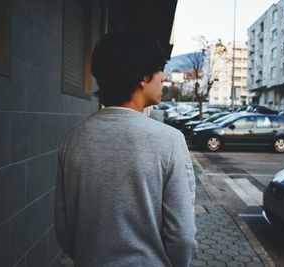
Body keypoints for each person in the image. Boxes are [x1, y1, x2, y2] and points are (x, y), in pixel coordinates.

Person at [55, 30, 197, 267]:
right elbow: (182, 236)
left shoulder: (73, 140)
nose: (164, 78)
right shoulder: (169, 140)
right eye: (160, 69)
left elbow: (64, 227)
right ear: (143, 77)